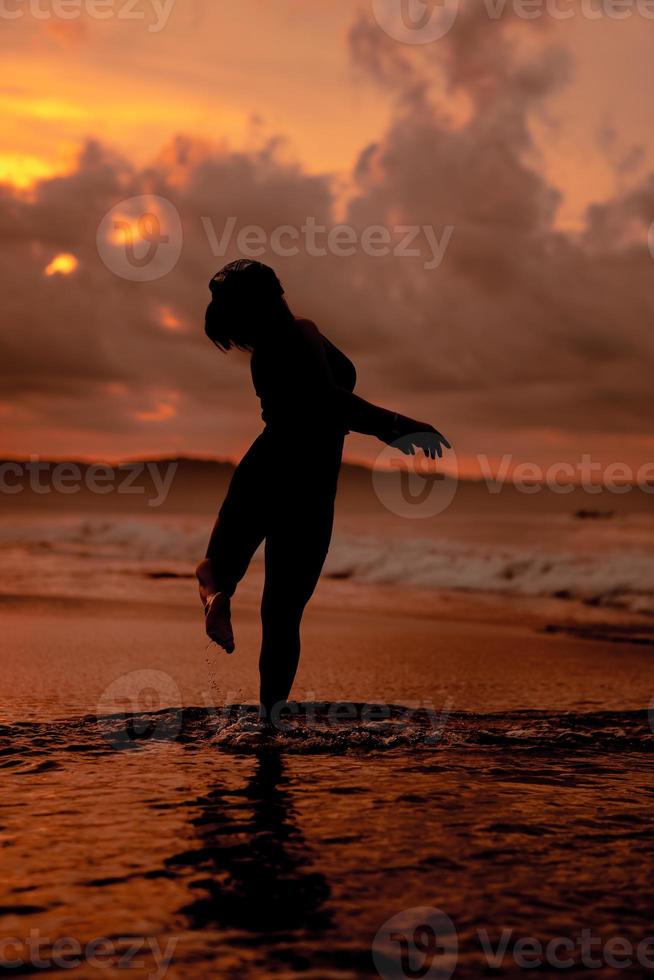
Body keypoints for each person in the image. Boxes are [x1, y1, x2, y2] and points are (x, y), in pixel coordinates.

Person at [196, 259, 450, 719]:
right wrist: (398, 426)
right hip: (307, 481)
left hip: (264, 467)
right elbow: (329, 402)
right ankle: (271, 722)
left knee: (214, 569)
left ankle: (217, 603)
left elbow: (318, 400)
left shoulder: (264, 353)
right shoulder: (301, 333)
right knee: (282, 615)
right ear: (276, 293)